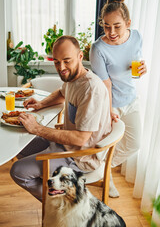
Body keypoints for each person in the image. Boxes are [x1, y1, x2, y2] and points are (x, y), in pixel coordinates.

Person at [10, 35, 111, 202]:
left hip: (79, 158)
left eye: (66, 61)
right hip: (64, 145)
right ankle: (58, 189)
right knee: (18, 144)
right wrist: (40, 104)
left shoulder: (91, 88)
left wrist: (37, 129)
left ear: (80, 57)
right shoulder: (73, 77)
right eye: (56, 62)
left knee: (18, 171)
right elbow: (61, 92)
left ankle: (66, 205)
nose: (61, 67)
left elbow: (80, 139)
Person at [90, 0, 147, 197]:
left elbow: (135, 66)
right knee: (105, 143)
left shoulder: (137, 37)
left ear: (128, 23)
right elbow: (105, 84)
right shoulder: (98, 49)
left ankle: (103, 168)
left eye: (117, 26)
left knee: (135, 143)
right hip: (110, 102)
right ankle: (107, 176)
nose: (111, 31)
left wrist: (142, 69)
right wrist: (109, 110)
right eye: (106, 26)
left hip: (131, 99)